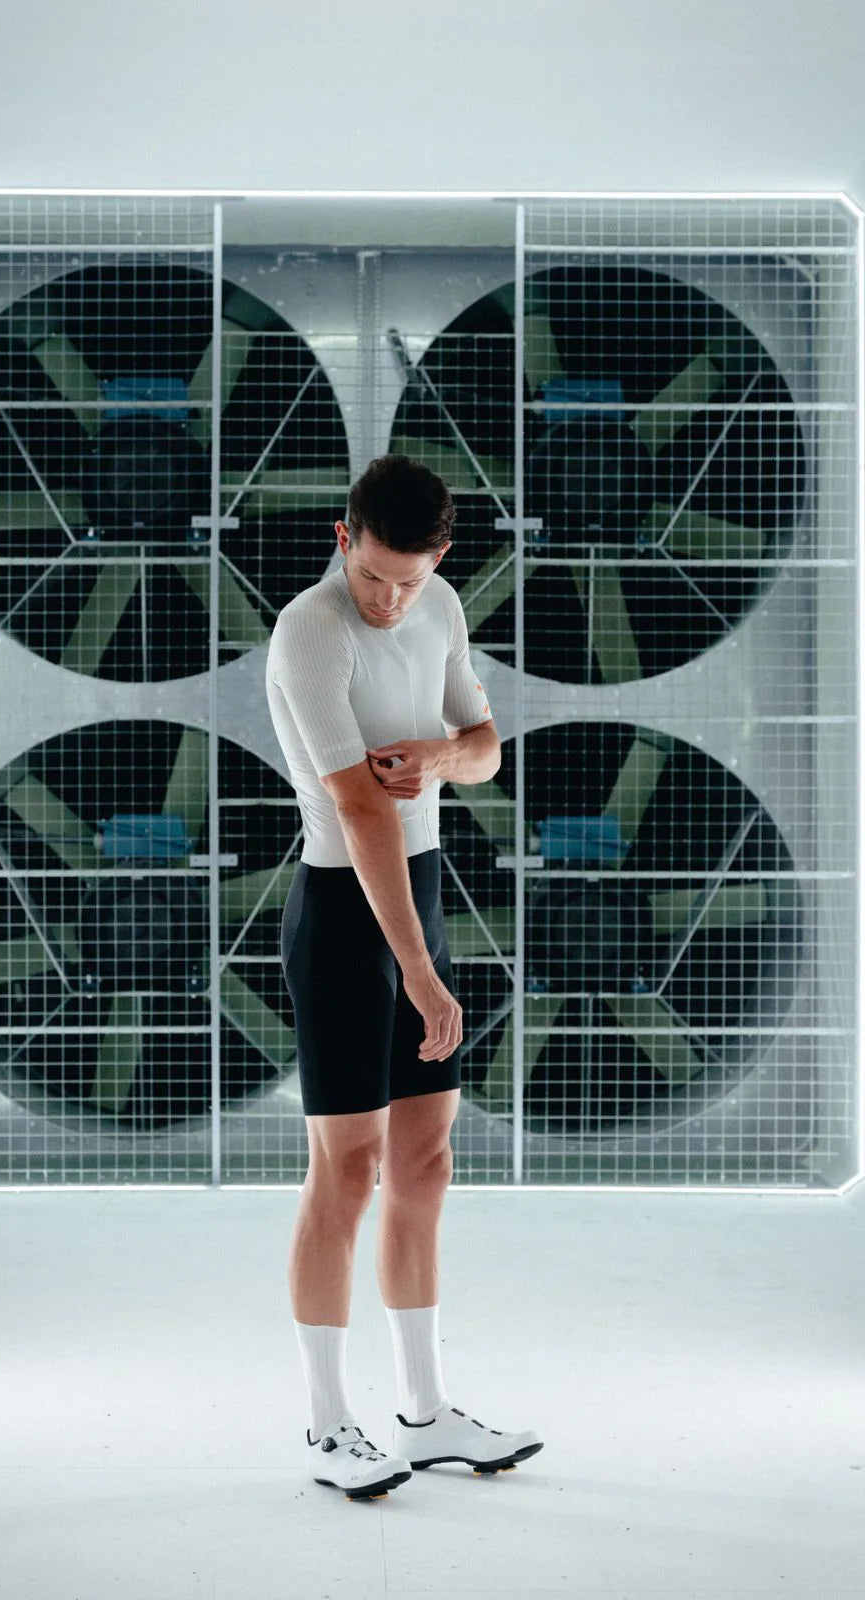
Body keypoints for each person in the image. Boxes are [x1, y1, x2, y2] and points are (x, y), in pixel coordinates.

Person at [265, 454, 544, 1501]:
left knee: (425, 1163)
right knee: (345, 1172)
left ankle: (425, 1416)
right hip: (344, 912)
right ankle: (326, 1423)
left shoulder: (441, 608)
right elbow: (361, 809)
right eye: (373, 575)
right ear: (344, 540)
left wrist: (439, 756)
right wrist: (421, 975)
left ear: (442, 558)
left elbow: (485, 747)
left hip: (418, 893)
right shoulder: (312, 630)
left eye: (409, 581)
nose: (389, 601)